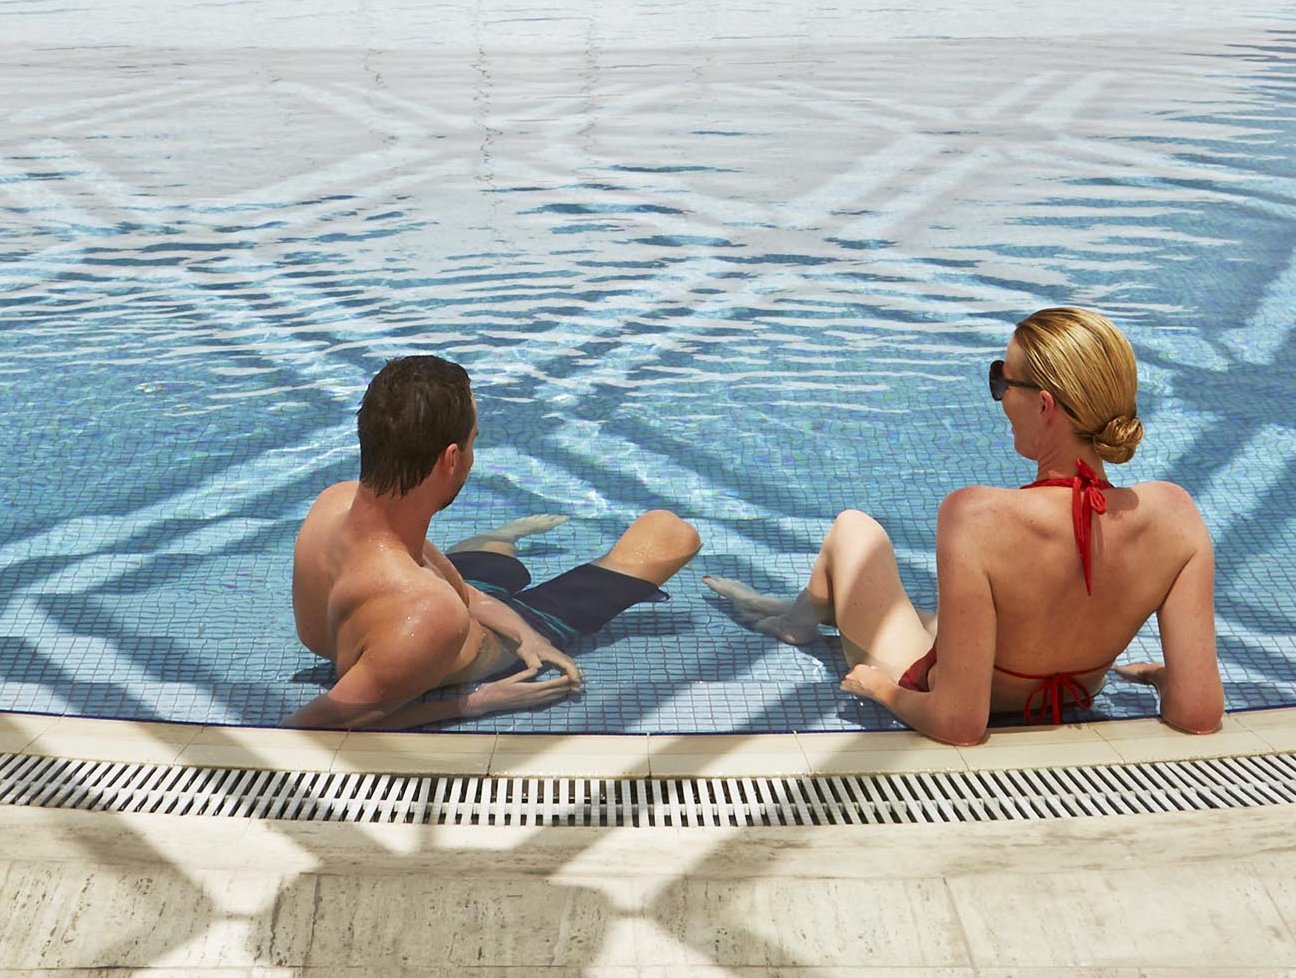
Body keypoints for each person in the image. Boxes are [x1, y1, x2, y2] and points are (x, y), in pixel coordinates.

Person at [710, 303, 1220, 744]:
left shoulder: (978, 516)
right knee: (936, 614)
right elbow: (1197, 713)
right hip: (1069, 692)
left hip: (960, 693)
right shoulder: (1175, 515)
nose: (999, 396)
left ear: (1044, 405)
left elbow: (960, 722)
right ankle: (803, 613)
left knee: (853, 530)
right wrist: (1162, 677)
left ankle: (796, 622)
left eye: (1002, 379)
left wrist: (879, 688)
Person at [288, 352, 699, 730]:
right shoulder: (427, 614)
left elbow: (448, 587)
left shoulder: (335, 503)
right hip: (459, 638)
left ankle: (506, 538)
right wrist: (477, 701)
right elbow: (306, 730)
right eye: (474, 441)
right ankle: (505, 541)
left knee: (491, 569)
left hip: (430, 605)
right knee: (673, 533)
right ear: (450, 459)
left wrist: (525, 635)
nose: (472, 456)